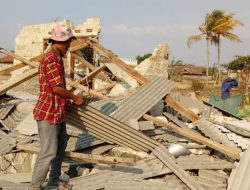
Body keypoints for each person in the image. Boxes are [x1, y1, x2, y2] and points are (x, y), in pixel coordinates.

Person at [29, 25, 84, 190]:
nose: (69, 46)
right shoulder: (51, 58)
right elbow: (56, 88)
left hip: (58, 112)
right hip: (48, 113)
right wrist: (74, 97)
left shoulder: (57, 56)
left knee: (59, 149)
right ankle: (34, 187)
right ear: (59, 41)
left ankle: (53, 181)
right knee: (48, 152)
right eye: (67, 42)